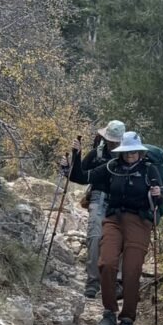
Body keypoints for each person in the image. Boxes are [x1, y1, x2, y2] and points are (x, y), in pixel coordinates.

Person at [69, 131, 162, 325]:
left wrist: (157, 195)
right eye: (126, 153)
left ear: (139, 152)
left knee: (132, 269)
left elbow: (158, 201)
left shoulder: (150, 169)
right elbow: (81, 177)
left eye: (133, 153)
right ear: (121, 153)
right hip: (113, 220)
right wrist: (76, 156)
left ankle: (127, 318)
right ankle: (109, 313)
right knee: (106, 263)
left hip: (139, 222)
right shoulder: (112, 167)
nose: (130, 156)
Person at [70, 119, 126, 298]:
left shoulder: (129, 156)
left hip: (121, 203)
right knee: (94, 238)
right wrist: (76, 155)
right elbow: (78, 176)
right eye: (110, 139)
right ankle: (93, 282)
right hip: (98, 198)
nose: (113, 143)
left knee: (121, 242)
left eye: (116, 140)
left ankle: (115, 282)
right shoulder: (96, 154)